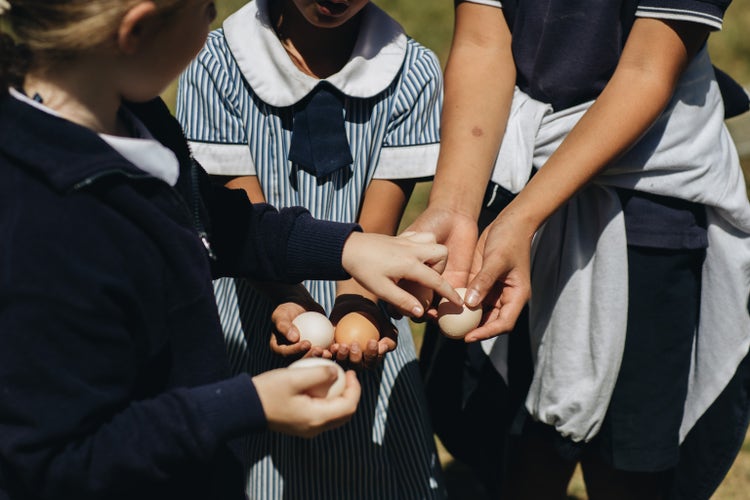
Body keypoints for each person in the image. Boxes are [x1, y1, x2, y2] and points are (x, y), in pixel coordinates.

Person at [0, 1, 462, 499]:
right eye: (205, 9)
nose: (214, 20)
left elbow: (214, 221)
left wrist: (347, 249)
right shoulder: (45, 220)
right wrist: (247, 404)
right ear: (137, 30)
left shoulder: (131, 119)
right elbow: (54, 459)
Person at [409, 1, 750, 499]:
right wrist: (456, 208)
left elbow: (646, 69)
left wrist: (523, 218)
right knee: (512, 438)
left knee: (629, 459)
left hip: (648, 197)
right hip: (514, 173)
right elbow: (484, 41)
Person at [175, 0, 450, 497]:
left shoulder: (412, 73)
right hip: (245, 317)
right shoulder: (216, 64)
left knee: (365, 473)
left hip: (364, 297)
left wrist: (358, 305)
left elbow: (375, 225)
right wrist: (289, 299)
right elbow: (242, 224)